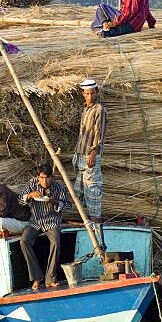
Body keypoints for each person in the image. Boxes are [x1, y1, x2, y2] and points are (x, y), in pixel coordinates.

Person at [18, 164, 73, 291]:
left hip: (52, 220)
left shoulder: (59, 187)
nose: (45, 181)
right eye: (42, 178)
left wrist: (56, 202)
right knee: (24, 241)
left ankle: (50, 278)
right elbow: (20, 200)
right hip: (35, 221)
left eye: (47, 178)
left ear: (51, 177)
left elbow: (69, 205)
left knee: (55, 243)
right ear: (38, 177)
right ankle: (37, 277)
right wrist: (30, 196)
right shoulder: (32, 184)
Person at [72, 78, 107, 224]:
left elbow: (99, 132)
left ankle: (96, 226)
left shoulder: (99, 110)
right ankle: (86, 224)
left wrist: (94, 152)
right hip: (81, 155)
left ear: (97, 92)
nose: (90, 96)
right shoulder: (86, 109)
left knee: (93, 191)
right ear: (83, 94)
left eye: (93, 93)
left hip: (91, 155)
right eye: (87, 93)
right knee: (80, 190)